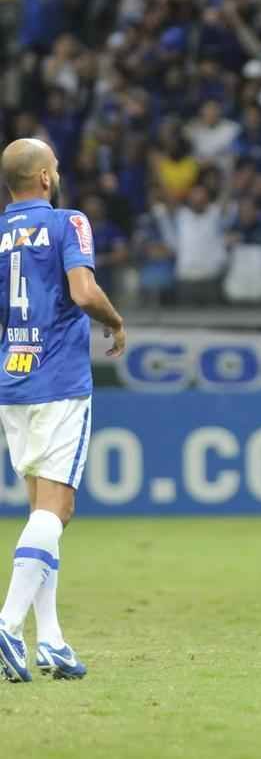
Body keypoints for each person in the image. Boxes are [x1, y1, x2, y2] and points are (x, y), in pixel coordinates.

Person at [0, 138, 127, 682]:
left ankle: (50, 640)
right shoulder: (67, 222)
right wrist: (115, 321)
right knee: (58, 510)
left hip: (14, 380)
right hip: (59, 380)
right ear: (46, 178)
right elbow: (83, 291)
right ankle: (8, 625)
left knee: (41, 515)